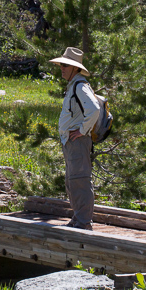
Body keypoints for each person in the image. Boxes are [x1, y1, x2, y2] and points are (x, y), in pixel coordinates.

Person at [49, 47, 101, 230]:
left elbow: (94, 109)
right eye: (61, 65)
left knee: (80, 180)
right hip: (71, 142)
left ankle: (84, 222)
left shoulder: (80, 85)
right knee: (73, 181)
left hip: (78, 141)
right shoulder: (75, 85)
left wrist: (82, 129)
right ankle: (79, 218)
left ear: (74, 68)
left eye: (65, 65)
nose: (61, 68)